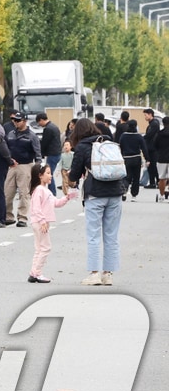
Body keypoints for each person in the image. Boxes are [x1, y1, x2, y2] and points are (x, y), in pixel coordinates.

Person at [67, 118, 126, 286]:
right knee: (111, 235)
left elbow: (74, 174)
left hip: (95, 194)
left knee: (93, 235)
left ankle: (94, 274)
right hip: (115, 192)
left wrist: (71, 182)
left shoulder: (83, 147)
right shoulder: (109, 142)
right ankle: (108, 274)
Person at [28, 161, 77, 283]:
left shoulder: (45, 190)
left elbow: (55, 203)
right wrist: (43, 221)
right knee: (46, 247)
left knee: (39, 248)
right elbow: (36, 208)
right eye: (48, 173)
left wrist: (66, 198)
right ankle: (38, 273)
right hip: (40, 223)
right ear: (40, 175)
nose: (50, 176)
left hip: (40, 222)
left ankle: (33, 272)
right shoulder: (39, 190)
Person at [3, 112, 41, 227]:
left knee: (24, 193)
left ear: (24, 121)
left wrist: (37, 169)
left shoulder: (32, 136)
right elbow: (6, 149)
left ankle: (22, 217)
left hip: (26, 166)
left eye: (18, 120)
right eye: (14, 120)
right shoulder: (10, 134)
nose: (16, 122)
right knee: (7, 192)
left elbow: (38, 154)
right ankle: (8, 216)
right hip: (12, 166)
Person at [119, 120, 147, 201]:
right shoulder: (138, 136)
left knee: (126, 176)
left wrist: (121, 156)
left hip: (126, 158)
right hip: (136, 158)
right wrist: (147, 158)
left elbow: (120, 146)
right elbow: (144, 148)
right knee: (136, 177)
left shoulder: (123, 136)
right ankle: (134, 195)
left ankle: (124, 190)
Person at [36, 113, 63, 194]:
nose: (39, 124)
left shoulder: (48, 129)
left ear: (41, 120)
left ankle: (52, 193)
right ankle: (52, 192)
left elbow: (45, 143)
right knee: (50, 173)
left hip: (52, 154)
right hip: (57, 153)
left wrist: (41, 153)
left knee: (48, 174)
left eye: (39, 122)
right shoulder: (54, 126)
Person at [143, 109, 161, 189]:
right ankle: (153, 182)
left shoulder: (154, 124)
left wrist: (142, 138)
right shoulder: (151, 124)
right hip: (151, 147)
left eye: (146, 115)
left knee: (154, 165)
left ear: (150, 114)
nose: (145, 117)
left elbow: (149, 135)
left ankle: (157, 182)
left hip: (153, 148)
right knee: (151, 166)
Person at [156, 116, 169, 201]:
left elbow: (155, 145)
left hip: (161, 158)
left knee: (162, 178)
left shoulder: (159, 134)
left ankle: (161, 196)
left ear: (163, 124)